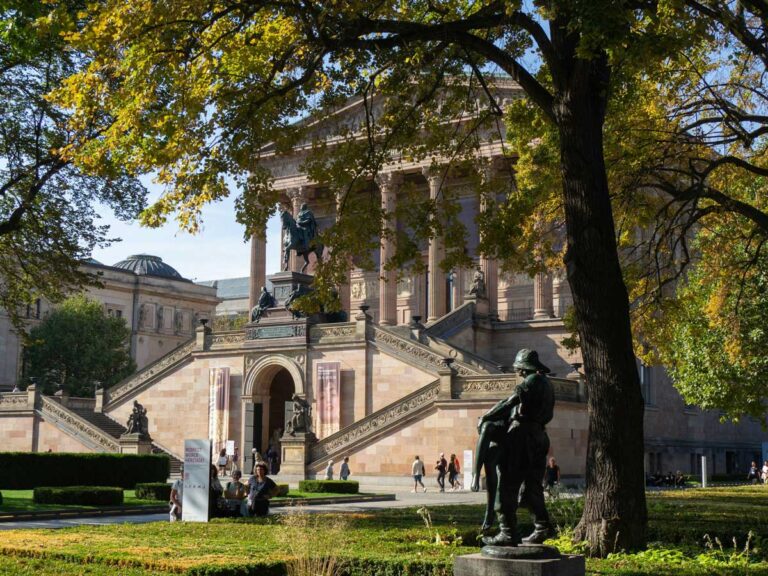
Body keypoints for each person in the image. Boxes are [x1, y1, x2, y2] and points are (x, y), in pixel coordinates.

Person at [475, 348, 556, 547]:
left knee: (508, 486)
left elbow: (510, 401)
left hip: (523, 438)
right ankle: (542, 527)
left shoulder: (531, 381)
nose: (518, 372)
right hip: (539, 436)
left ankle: (508, 533)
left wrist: (487, 416)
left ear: (522, 368)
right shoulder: (547, 383)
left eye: (518, 368)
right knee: (531, 488)